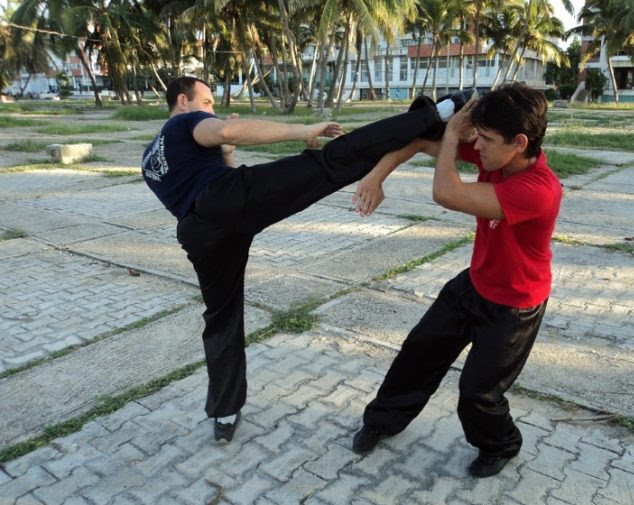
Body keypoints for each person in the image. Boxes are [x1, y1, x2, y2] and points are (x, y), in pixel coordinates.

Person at [141, 76, 467, 442]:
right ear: (182, 102)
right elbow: (233, 131)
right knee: (331, 162)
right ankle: (439, 112)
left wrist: (227, 155)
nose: (212, 110)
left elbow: (209, 186)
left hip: (200, 235)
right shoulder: (185, 122)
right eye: (206, 102)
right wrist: (305, 129)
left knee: (221, 318)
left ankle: (225, 410)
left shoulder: (150, 157)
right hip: (223, 202)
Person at [351, 82, 563, 478]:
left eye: (485, 139)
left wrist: (451, 135)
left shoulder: (539, 190)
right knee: (417, 354)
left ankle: (502, 444)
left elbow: (445, 192)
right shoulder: (498, 159)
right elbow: (416, 141)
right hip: (474, 284)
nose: (477, 146)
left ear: (519, 142)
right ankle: (381, 422)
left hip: (514, 306)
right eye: (475, 136)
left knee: (478, 394)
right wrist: (376, 177)